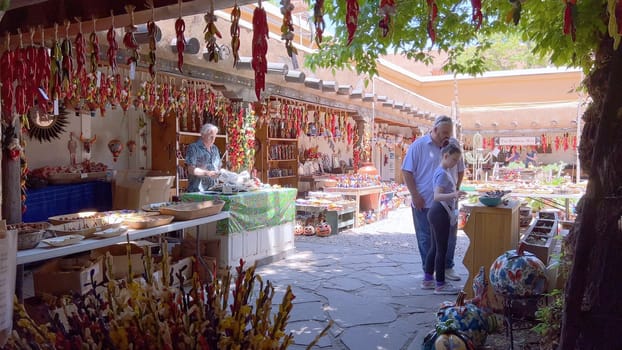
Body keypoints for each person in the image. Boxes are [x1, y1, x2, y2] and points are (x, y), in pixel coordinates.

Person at [402, 115, 465, 282]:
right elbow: (406, 171)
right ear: (434, 130)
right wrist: (415, 195)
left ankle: (447, 267)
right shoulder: (418, 146)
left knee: (449, 237)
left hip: (447, 202)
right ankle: (428, 271)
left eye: (449, 133)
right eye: (444, 132)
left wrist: (456, 189)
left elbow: (460, 169)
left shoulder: (453, 145)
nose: (447, 136)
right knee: (426, 237)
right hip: (424, 201)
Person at [422, 143, 466, 294]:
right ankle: (440, 283)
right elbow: (437, 195)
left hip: (438, 212)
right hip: (439, 211)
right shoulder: (442, 173)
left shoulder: (443, 171)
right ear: (445, 156)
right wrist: (454, 195)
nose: (455, 164)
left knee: (435, 247)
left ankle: (428, 279)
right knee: (441, 249)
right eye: (454, 160)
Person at [185, 123, 222, 192]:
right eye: (211, 136)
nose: (213, 139)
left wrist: (221, 173)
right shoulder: (193, 148)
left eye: (214, 137)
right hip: (198, 191)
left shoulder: (215, 149)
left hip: (213, 190)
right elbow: (191, 169)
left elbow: (218, 166)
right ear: (203, 135)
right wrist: (207, 173)